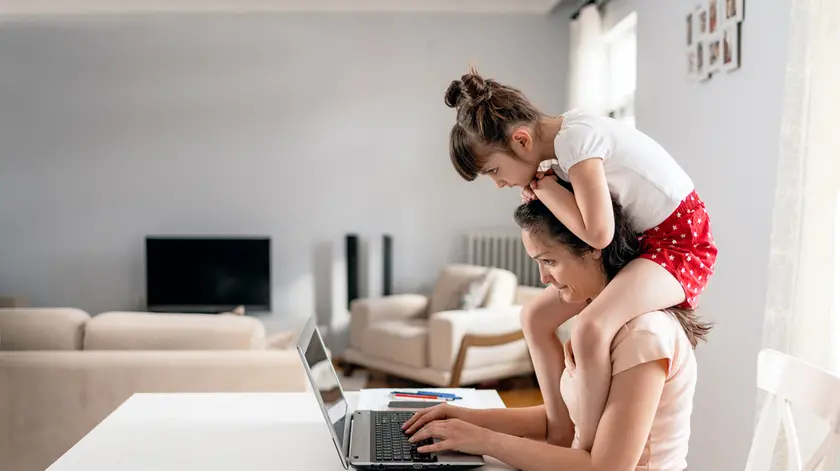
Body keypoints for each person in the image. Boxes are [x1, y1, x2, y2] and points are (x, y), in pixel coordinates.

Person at [443, 68, 717, 450]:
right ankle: (560, 427)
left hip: (679, 244)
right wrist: (545, 186)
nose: (499, 183)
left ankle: (583, 448)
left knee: (590, 329)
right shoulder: (563, 148)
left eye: (494, 171)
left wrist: (546, 188)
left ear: (521, 141)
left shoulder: (577, 139)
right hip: (646, 239)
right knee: (534, 317)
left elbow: (599, 233)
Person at [402, 192, 711, 471]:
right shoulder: (602, 321)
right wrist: (460, 418)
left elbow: (606, 468)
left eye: (549, 261)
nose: (543, 278)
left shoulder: (644, 335)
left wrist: (483, 440)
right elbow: (560, 420)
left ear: (592, 248)